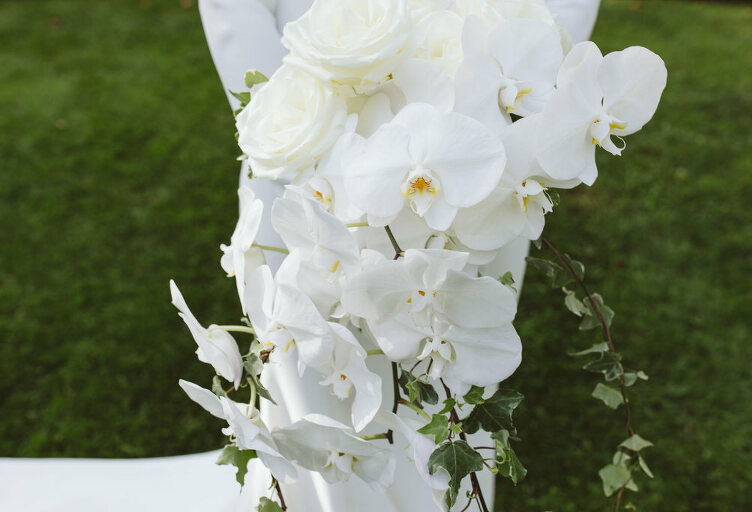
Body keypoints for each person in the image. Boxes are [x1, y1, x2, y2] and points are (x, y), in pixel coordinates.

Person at [199, 1, 601, 510]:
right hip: (305, 155)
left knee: (456, 369)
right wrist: (285, 114)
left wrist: (531, 88)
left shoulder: (482, 143)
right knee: (314, 381)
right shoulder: (296, 130)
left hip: (477, 154)